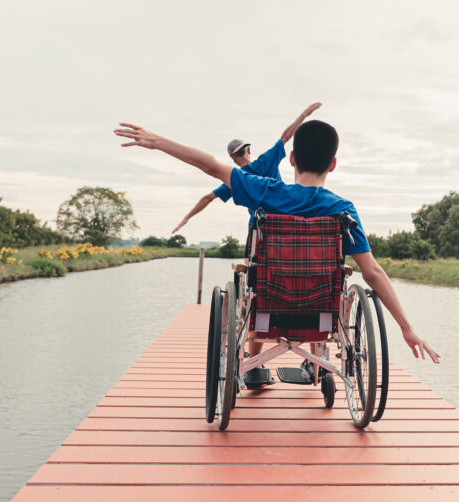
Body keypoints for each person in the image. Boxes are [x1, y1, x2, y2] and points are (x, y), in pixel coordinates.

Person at [113, 117, 440, 365]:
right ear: (333, 164)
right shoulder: (343, 210)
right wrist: (407, 328)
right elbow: (373, 273)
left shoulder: (264, 191)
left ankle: (253, 367)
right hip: (322, 314)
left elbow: (210, 165)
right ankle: (320, 366)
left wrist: (158, 141)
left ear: (292, 159)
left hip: (268, 308)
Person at [171, 102, 322, 234]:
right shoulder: (266, 160)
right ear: (248, 150)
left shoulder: (235, 178)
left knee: (252, 260)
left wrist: (186, 218)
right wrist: (304, 114)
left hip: (259, 227)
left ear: (232, 158)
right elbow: (285, 137)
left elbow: (208, 198)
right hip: (285, 221)